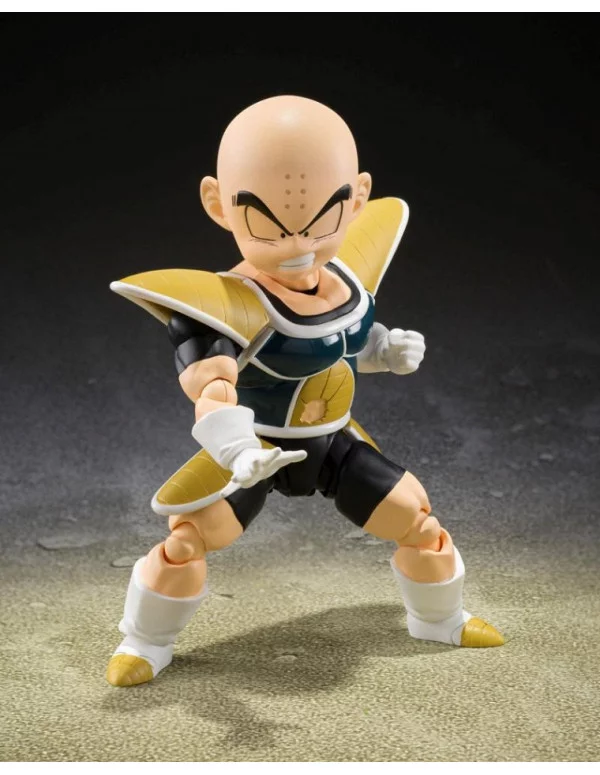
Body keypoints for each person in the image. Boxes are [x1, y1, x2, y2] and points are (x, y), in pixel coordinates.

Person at [107, 95, 503, 687]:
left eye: (323, 220)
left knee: (418, 520)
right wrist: (238, 450)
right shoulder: (224, 306)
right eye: (267, 224)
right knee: (186, 541)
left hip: (333, 442)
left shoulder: (348, 280)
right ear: (218, 204)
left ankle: (440, 619)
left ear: (357, 200)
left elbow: (346, 347)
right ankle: (143, 641)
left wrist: (386, 351)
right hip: (258, 448)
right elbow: (211, 388)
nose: (298, 243)